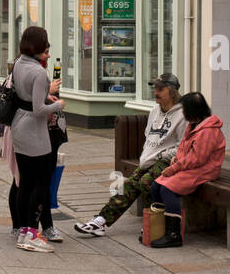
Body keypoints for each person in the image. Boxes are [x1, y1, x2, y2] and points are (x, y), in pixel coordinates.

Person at [74, 72, 186, 236]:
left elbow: (182, 146)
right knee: (127, 186)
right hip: (150, 159)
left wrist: (161, 156)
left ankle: (151, 223)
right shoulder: (155, 110)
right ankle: (100, 221)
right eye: (155, 88)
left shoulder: (183, 115)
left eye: (160, 89)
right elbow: (149, 136)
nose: (156, 92)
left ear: (172, 91)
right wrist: (146, 157)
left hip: (168, 160)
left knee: (145, 181)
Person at [147, 91, 226, 249]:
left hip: (205, 169)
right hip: (191, 167)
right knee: (156, 185)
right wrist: (176, 159)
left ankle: (174, 235)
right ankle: (160, 227)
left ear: (192, 110)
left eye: (184, 109)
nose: (182, 113)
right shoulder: (194, 125)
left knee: (167, 188)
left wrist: (174, 168)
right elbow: (184, 149)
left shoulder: (208, 130)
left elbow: (198, 159)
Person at [10, 26, 64, 252]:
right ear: (36, 48)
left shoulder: (18, 65)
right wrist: (57, 105)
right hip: (35, 131)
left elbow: (26, 97)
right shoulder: (39, 72)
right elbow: (39, 109)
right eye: (45, 49)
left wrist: (43, 96)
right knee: (42, 184)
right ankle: (33, 233)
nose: (48, 54)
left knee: (25, 182)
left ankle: (23, 230)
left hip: (18, 127)